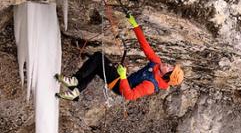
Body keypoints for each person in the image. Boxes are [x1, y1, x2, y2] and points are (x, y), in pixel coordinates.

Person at [55, 14, 184, 101]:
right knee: (97, 66)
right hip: (121, 80)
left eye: (169, 68)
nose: (167, 65)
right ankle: (76, 91)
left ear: (167, 76)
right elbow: (145, 46)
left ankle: (75, 81)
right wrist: (135, 26)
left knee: (99, 58)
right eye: (171, 65)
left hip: (120, 87)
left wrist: (122, 76)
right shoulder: (156, 63)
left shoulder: (150, 85)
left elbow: (129, 95)